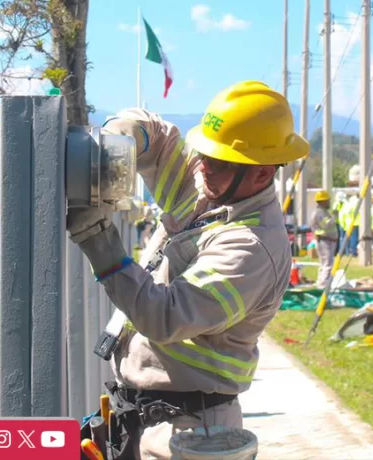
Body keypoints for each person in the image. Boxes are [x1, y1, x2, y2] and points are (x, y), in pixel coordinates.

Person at [65, 81, 309, 459]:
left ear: (261, 174)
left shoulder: (252, 246)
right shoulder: (214, 187)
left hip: (191, 433)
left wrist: (97, 237)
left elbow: (166, 317)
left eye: (218, 161)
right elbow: (160, 139)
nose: (203, 166)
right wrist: (121, 138)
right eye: (204, 153)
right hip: (146, 416)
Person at [311, 190, 339, 288]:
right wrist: (335, 216)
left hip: (327, 240)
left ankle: (321, 282)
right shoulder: (319, 213)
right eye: (327, 200)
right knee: (327, 263)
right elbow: (326, 225)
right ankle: (324, 285)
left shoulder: (324, 212)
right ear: (322, 201)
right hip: (325, 240)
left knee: (324, 263)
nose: (329, 202)